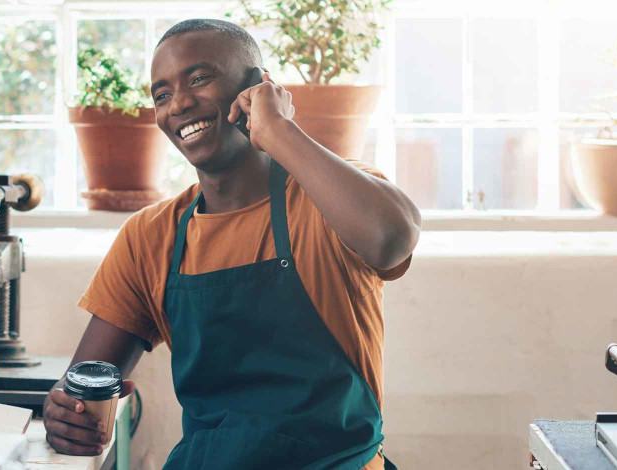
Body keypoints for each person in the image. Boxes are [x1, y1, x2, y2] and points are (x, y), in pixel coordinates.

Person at [43, 18, 420, 470]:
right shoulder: (151, 237)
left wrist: (278, 129)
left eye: (199, 79)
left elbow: (391, 240)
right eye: (161, 95)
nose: (178, 103)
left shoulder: (329, 199)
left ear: (257, 89)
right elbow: (84, 384)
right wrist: (66, 413)